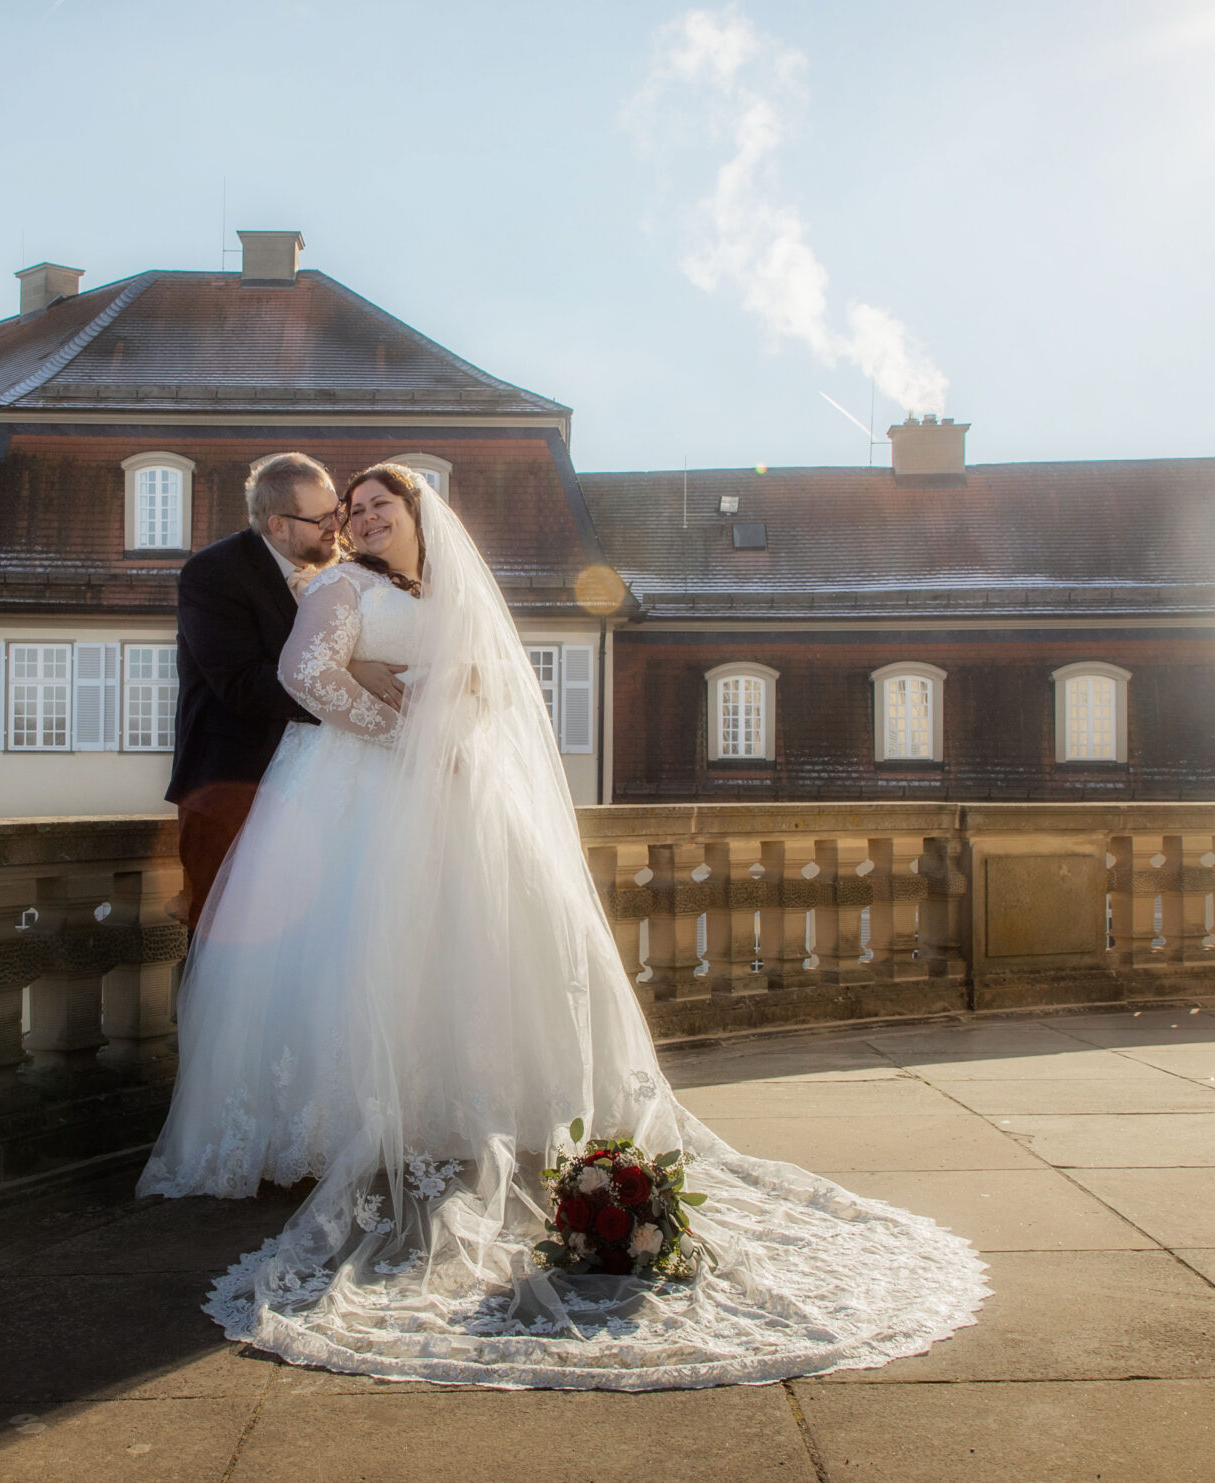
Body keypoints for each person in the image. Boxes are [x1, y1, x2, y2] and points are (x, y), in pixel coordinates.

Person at [139, 465, 989, 1389]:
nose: (362, 517)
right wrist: (404, 732)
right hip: (355, 789)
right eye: (352, 508)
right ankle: (333, 1122)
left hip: (458, 797)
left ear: (423, 513)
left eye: (381, 504)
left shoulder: (455, 595)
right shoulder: (337, 586)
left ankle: (472, 1105)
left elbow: (496, 692)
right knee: (353, 955)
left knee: (471, 949)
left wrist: (450, 720)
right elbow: (301, 671)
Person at [164, 453, 404, 932]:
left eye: (336, 511)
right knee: (225, 945)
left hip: (317, 787)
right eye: (320, 520)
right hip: (231, 788)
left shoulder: (342, 572)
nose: (336, 527)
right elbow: (242, 684)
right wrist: (349, 676)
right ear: (277, 524)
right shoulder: (212, 574)